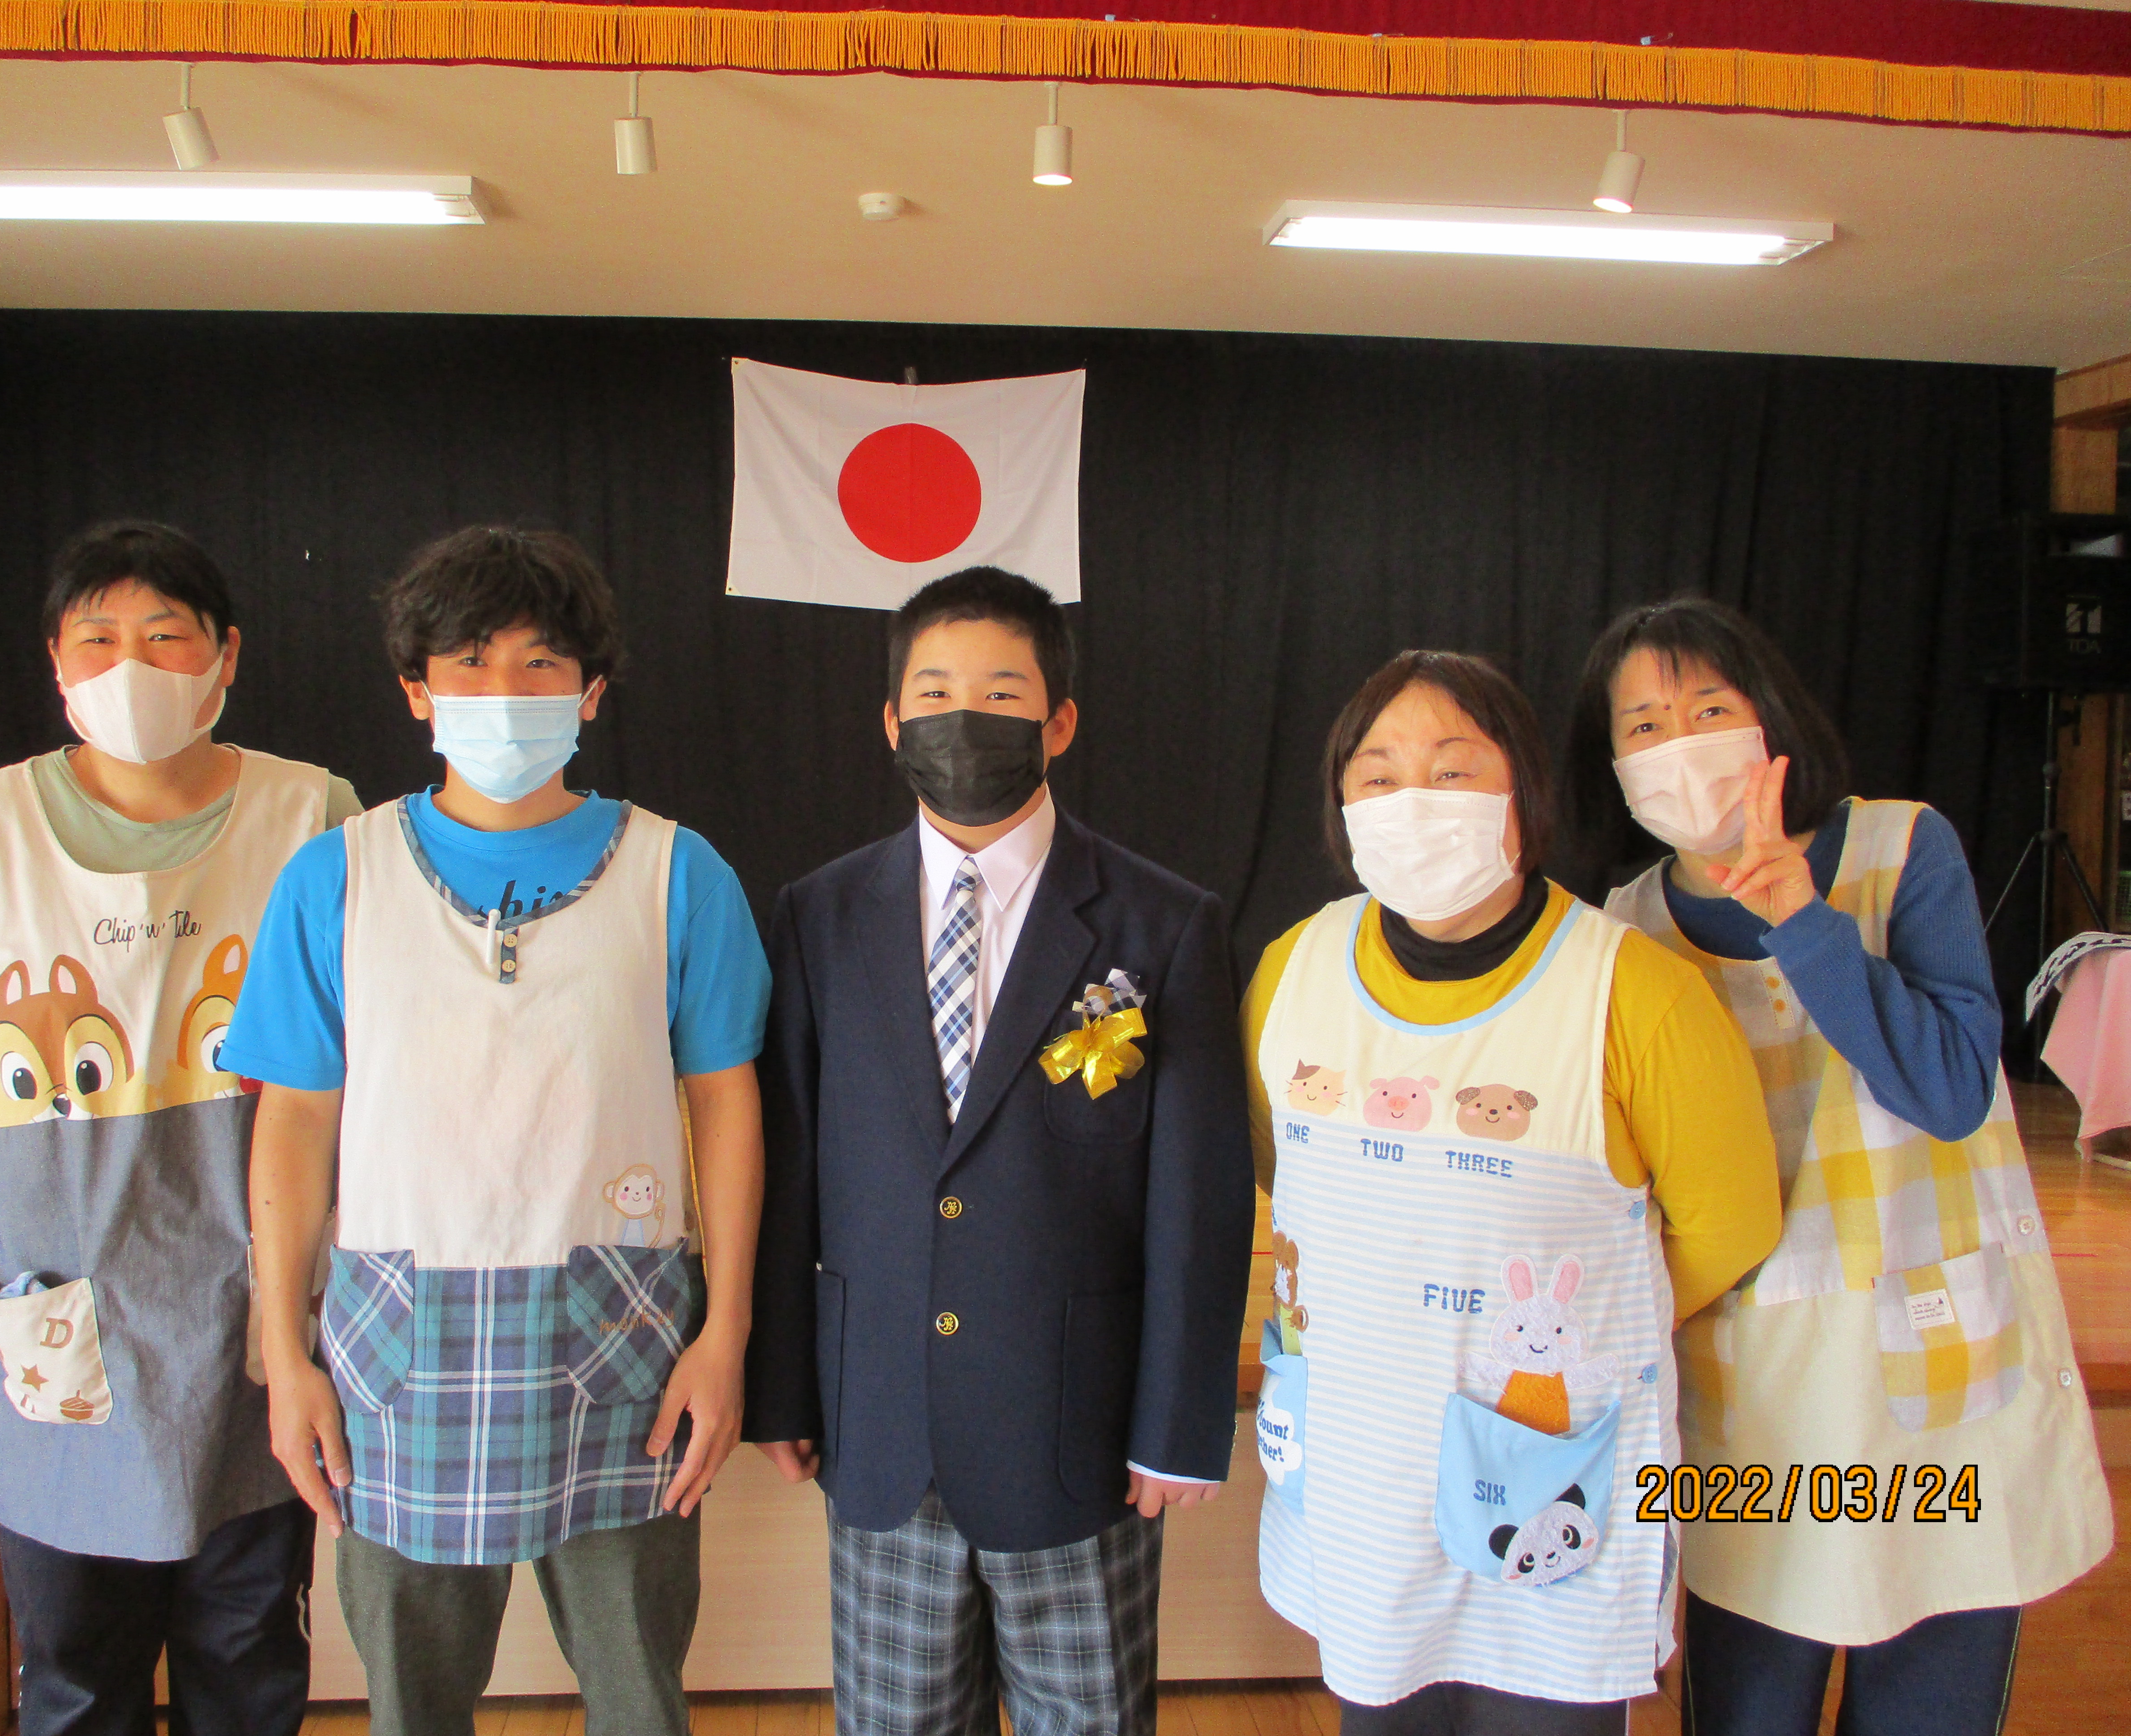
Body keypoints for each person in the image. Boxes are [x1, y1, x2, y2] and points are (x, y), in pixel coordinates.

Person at [226, 526, 770, 1736]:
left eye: (540, 664)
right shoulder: (333, 877)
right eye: (469, 662)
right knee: (412, 1705)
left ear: (592, 691)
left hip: (626, 1348)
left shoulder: (679, 874)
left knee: (639, 1697)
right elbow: (294, 1125)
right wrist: (285, 1354)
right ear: (417, 691)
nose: (505, 692)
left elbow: (726, 1107)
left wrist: (725, 1331)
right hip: (394, 1357)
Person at [1568, 598, 2113, 1736]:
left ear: (1767, 719)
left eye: (1706, 709)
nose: (1677, 743)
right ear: (1611, 766)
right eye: (1642, 726)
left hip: (1940, 1392)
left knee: (1928, 1698)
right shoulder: (1623, 930)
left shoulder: (1901, 849)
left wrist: (1799, 917)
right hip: (1751, 1411)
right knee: (1746, 1705)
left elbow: (1950, 1090)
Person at [745, 567, 1252, 1736]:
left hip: (1078, 1435)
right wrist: (780, 1387)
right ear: (892, 722)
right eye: (933, 692)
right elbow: (791, 1168)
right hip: (882, 1425)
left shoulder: (1162, 922)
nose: (961, 716)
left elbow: (1199, 1196)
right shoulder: (819, 914)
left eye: (1000, 693)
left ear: (1057, 722)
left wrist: (1180, 1424)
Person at [1243, 650, 1783, 1734]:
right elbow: (1280, 1168)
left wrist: (1556, 1339)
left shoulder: (1635, 993)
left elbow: (1729, 1226)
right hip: (1360, 1464)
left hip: (1540, 1463)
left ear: (1522, 792)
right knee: (1380, 1702)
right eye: (1377, 776)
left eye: (1452, 771)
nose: (1412, 802)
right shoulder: (1290, 969)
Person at [0, 518, 355, 1736]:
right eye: (98, 639)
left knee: (247, 1651)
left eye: (164, 636)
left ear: (225, 655)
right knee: (76, 1667)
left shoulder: (312, 815)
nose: (130, 666)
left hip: (254, 1291)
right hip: (61, 1295)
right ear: (56, 660)